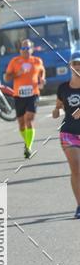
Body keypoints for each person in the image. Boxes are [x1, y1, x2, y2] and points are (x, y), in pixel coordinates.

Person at [4, 39, 45, 159]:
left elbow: (42, 71)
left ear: (32, 49)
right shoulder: (14, 61)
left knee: (29, 119)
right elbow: (7, 78)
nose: (25, 50)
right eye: (23, 48)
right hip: (19, 95)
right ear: (20, 50)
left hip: (33, 94)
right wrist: (18, 73)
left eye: (27, 48)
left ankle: (29, 147)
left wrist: (42, 79)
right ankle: (27, 142)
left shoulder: (37, 61)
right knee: (22, 124)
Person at [52, 56, 80, 218]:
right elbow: (58, 106)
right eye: (75, 63)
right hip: (69, 133)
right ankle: (79, 205)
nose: (78, 66)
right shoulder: (63, 88)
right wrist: (56, 111)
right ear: (70, 66)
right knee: (76, 168)